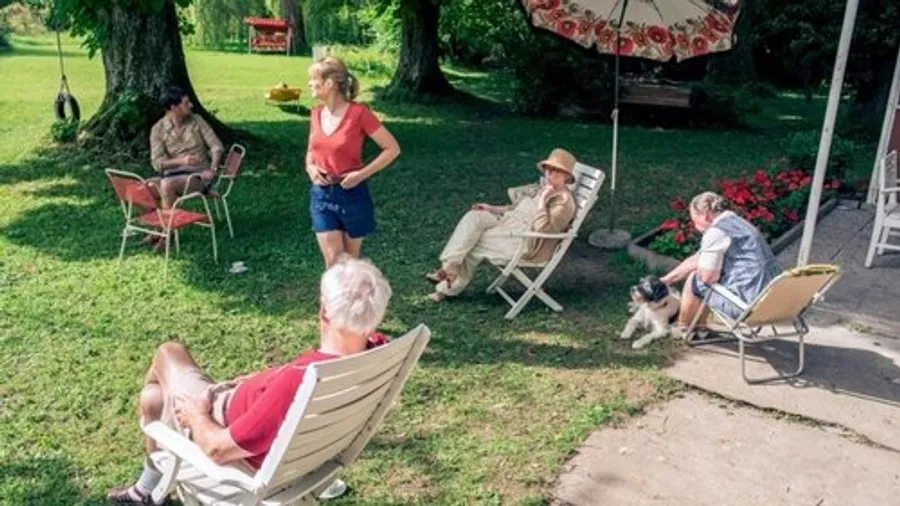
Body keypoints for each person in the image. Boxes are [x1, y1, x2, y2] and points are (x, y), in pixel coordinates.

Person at [107, 257, 392, 505]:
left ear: (324, 311)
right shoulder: (378, 355)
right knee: (153, 399)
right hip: (299, 448)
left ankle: (148, 485)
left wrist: (197, 415)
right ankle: (148, 487)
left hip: (222, 423)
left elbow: (218, 449)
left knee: (169, 353)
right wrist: (265, 380)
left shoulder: (302, 383)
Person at [425, 148, 579, 303]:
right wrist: (491, 208)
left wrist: (542, 201)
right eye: (547, 169)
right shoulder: (544, 189)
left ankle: (445, 287)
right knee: (474, 216)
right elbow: (515, 208)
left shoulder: (564, 202)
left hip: (525, 240)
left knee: (474, 241)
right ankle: (449, 268)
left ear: (566, 176)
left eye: (555, 171)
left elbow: (544, 229)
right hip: (508, 222)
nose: (549, 173)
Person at [305, 57, 401, 268]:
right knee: (334, 262)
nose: (309, 83)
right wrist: (310, 167)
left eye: (314, 79)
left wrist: (361, 174)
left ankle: (352, 290)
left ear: (330, 83)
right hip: (321, 195)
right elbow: (311, 150)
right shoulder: (316, 114)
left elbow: (392, 149)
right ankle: (330, 292)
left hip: (352, 194)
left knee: (350, 264)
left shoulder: (359, 114)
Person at [660, 191, 783, 336]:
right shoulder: (741, 224)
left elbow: (707, 278)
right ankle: (700, 328)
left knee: (696, 279)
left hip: (750, 307)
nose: (695, 226)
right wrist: (667, 279)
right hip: (775, 302)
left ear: (705, 215)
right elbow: (699, 257)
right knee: (705, 274)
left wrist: (703, 271)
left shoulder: (716, 232)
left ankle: (682, 329)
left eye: (694, 221)